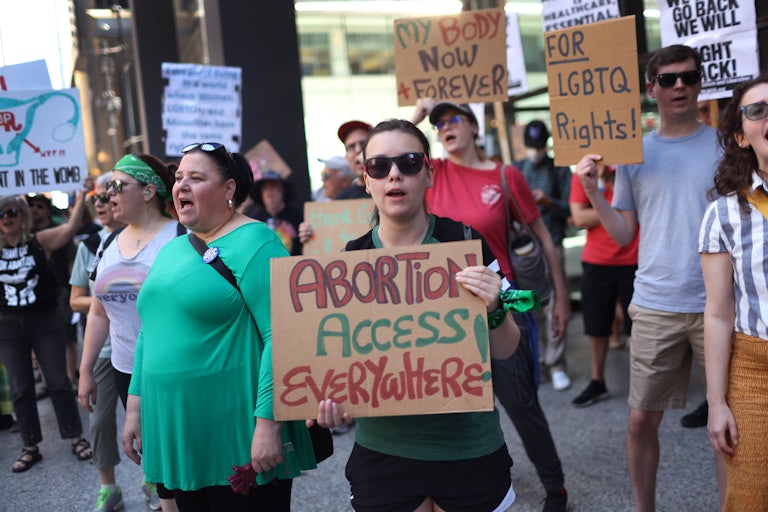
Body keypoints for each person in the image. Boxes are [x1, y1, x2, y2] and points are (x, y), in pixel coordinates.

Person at [316, 119, 520, 512]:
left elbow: (508, 349)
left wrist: (494, 307)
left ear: (428, 173)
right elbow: (338, 366)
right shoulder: (349, 264)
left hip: (469, 448)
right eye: (379, 166)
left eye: (409, 162)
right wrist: (331, 402)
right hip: (383, 454)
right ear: (366, 179)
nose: (394, 174)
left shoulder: (466, 243)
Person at [121, 142, 316, 511]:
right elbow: (151, 330)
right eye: (178, 177)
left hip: (237, 433)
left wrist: (268, 425)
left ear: (229, 189)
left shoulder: (256, 241)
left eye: (196, 178)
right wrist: (134, 408)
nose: (181, 186)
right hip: (177, 430)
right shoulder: (173, 248)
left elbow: (284, 334)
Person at [573, 44, 722, 511]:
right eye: (669, 78)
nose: (680, 85)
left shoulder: (724, 145)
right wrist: (594, 193)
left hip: (719, 302)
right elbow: (621, 233)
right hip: (656, 300)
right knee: (640, 421)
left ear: (700, 84)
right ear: (650, 88)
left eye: (690, 77)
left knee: (727, 423)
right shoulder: (633, 153)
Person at [412, 100, 570, 511]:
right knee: (458, 405)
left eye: (452, 119)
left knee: (521, 404)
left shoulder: (505, 174)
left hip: (499, 305)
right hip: (444, 315)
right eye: (438, 122)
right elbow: (386, 152)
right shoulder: (430, 173)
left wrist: (560, 301)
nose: (444, 126)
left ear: (473, 126)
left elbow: (545, 238)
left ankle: (556, 487)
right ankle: (483, 477)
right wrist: (417, 112)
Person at [78, 154, 180, 511]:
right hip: (124, 368)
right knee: (154, 456)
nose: (109, 195)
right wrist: (87, 369)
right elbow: (98, 311)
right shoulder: (107, 243)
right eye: (107, 188)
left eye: (118, 186)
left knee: (178, 460)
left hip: (171, 369)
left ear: (149, 191)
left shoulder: (179, 238)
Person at [700, 74, 768, 510]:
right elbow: (719, 313)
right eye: (758, 109)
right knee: (749, 498)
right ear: (742, 136)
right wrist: (715, 403)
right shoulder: (723, 215)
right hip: (756, 372)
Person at [0, 191, 92, 473]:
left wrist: (79, 199)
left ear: (23, 216)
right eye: (0, 214)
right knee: (21, 387)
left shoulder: (39, 241)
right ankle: (30, 447)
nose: (6, 218)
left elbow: (69, 229)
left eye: (12, 212)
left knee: (58, 382)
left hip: (44, 321)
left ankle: (75, 437)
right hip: (9, 326)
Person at [69, 172, 127, 512]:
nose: (102, 204)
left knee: (148, 420)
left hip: (140, 344)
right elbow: (75, 298)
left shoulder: (147, 236)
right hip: (104, 348)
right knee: (100, 420)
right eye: (96, 199)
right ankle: (109, 488)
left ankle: (154, 481)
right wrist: (105, 301)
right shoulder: (89, 245)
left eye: (107, 197)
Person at [569, 164, 638, 407]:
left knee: (639, 329)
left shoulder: (634, 168)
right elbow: (578, 217)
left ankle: (644, 387)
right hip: (597, 261)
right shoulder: (584, 170)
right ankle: (597, 381)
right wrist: (621, 208)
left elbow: (647, 207)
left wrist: (598, 205)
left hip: (636, 259)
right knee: (596, 327)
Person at [516, 120, 573, 391]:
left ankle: (556, 363)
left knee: (555, 306)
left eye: (538, 147)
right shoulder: (516, 170)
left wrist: (549, 202)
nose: (534, 151)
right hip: (525, 250)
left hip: (554, 242)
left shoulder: (559, 169)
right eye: (531, 146)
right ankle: (537, 361)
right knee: (530, 306)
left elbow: (572, 209)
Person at [244, 170, 302, 255]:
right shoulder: (255, 220)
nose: (269, 192)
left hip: (292, 266)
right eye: (265, 188)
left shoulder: (296, 217)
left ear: (282, 190)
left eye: (273, 186)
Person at [336, 120, 373, 199]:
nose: (358, 150)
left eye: (363, 143)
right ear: (346, 157)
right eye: (351, 146)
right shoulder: (342, 200)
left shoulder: (390, 190)